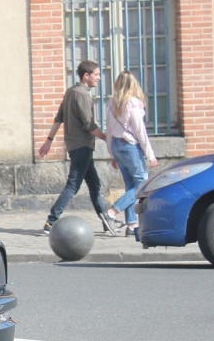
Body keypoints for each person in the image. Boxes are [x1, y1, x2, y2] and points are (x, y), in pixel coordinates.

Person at [38, 60, 118, 233]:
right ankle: (51, 222)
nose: (99, 78)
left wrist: (49, 140)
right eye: (96, 75)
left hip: (77, 146)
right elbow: (89, 125)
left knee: (94, 184)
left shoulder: (70, 92)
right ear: (86, 76)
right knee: (73, 185)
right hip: (82, 146)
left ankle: (106, 220)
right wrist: (107, 138)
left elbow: (58, 118)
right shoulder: (82, 95)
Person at [104, 71, 157, 237]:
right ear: (133, 85)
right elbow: (140, 131)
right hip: (129, 146)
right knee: (141, 184)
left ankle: (132, 224)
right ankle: (112, 212)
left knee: (130, 184)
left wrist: (111, 152)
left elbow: (109, 130)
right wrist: (150, 154)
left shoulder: (112, 103)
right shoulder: (132, 103)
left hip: (117, 145)